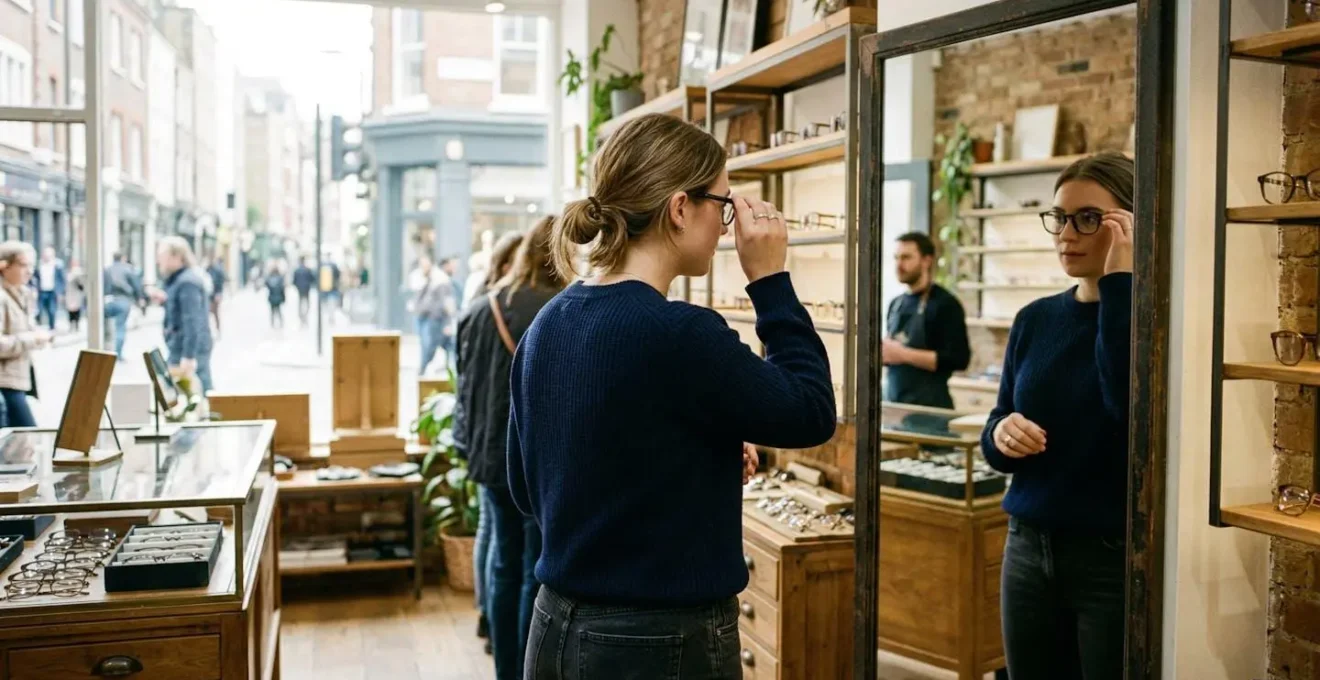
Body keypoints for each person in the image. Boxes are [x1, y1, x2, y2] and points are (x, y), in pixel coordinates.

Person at [508, 113, 836, 678]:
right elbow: (811, 411)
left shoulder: (549, 323)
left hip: (555, 627)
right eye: (723, 205)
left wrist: (689, 463)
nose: (727, 224)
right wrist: (770, 282)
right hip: (657, 641)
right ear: (680, 208)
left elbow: (528, 485)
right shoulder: (681, 332)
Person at [980, 151, 1133, 679]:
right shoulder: (1035, 319)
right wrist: (1000, 432)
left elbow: (1126, 408)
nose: (1067, 233)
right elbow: (997, 422)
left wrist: (1120, 286)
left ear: (1131, 226)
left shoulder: (1149, 320)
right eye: (1059, 218)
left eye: (1089, 218)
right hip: (1026, 545)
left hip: (1110, 556)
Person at [453, 217, 565, 680]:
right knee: (531, 569)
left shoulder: (481, 307)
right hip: (530, 457)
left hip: (486, 453)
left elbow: (464, 382)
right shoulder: (556, 308)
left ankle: (504, 669)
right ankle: (524, 669)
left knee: (503, 562)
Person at [465, 229, 525, 651]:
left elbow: (465, 386)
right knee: (513, 556)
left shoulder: (476, 309)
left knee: (495, 539)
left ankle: (489, 618)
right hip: (506, 445)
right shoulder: (521, 310)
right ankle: (500, 630)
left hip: (485, 443)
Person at [882, 232, 972, 409]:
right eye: (896, 258)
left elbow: (959, 359)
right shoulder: (896, 304)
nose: (899, 265)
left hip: (930, 410)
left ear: (927, 261)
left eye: (906, 258)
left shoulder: (945, 304)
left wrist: (902, 354)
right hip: (894, 406)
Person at [153, 236, 215, 394]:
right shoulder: (180, 280)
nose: (158, 261)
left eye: (162, 256)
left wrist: (189, 356)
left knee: (190, 392)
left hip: (186, 348)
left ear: (177, 257)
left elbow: (192, 320)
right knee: (187, 392)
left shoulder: (187, 283)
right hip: (181, 346)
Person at [0, 242, 52, 427]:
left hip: (15, 380)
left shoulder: (23, 294)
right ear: (4, 266)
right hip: (5, 384)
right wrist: (33, 339)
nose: (29, 271)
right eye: (23, 265)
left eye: (31, 265)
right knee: (23, 438)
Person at [413, 255, 456, 374]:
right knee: (440, 345)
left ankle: (423, 369)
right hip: (424, 316)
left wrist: (448, 322)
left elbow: (447, 302)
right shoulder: (422, 278)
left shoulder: (440, 280)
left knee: (431, 345)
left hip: (435, 319)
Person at [104, 252, 144, 361]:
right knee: (120, 327)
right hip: (123, 300)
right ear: (123, 258)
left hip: (107, 300)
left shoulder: (107, 269)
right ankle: (117, 354)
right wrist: (140, 298)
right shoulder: (128, 269)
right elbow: (136, 285)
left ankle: (104, 350)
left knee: (104, 327)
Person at [31, 246, 64, 331]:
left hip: (53, 291)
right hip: (41, 291)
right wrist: (34, 288)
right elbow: (33, 277)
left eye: (49, 255)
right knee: (39, 309)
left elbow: (62, 280)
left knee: (52, 310)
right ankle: (36, 326)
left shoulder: (57, 265)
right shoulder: (39, 265)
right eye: (45, 255)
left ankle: (52, 327)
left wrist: (61, 292)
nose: (47, 257)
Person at [292, 257, 316, 326]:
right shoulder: (307, 269)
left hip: (300, 289)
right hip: (306, 288)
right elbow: (312, 279)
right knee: (307, 303)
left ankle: (301, 316)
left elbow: (294, 281)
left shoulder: (297, 270)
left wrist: (297, 286)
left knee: (300, 302)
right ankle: (304, 315)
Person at [206, 256, 226, 337]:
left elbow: (220, 282)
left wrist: (219, 293)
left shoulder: (217, 270)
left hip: (215, 295)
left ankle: (218, 330)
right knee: (210, 313)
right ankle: (212, 331)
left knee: (215, 313)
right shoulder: (207, 269)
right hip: (209, 295)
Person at [64, 258, 85, 332]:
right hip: (70, 293)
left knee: (76, 310)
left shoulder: (78, 272)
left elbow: (81, 284)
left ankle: (76, 325)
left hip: (76, 294)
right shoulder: (69, 272)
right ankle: (72, 325)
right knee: (71, 310)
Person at [265, 263, 288, 329]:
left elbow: (267, 285)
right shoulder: (280, 278)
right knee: (278, 311)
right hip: (278, 298)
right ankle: (280, 323)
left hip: (272, 298)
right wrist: (284, 298)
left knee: (272, 311)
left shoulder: (269, 278)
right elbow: (282, 289)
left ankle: (273, 324)